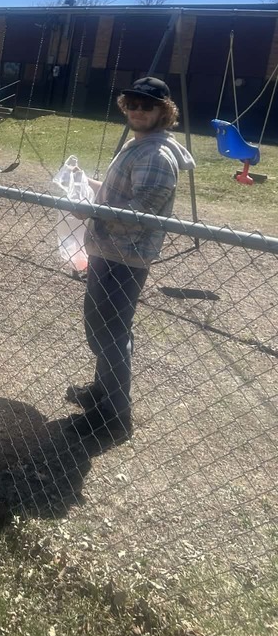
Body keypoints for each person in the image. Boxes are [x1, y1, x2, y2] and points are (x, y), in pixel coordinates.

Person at [66, 76, 195, 440]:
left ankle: (114, 417)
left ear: (163, 111)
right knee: (101, 328)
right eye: (132, 105)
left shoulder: (156, 154)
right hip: (108, 250)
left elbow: (140, 211)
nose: (138, 111)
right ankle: (101, 392)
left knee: (111, 333)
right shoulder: (140, 145)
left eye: (147, 106)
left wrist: (91, 211)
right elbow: (117, 194)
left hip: (126, 257)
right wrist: (85, 183)